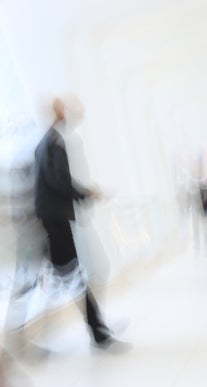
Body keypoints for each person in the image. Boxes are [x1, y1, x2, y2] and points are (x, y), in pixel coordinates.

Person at [34, 97, 114, 347]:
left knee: (65, 275)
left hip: (52, 218)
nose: (75, 113)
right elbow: (60, 181)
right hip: (55, 219)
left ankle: (96, 329)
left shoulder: (48, 142)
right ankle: (98, 331)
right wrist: (88, 193)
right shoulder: (54, 143)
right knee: (74, 275)